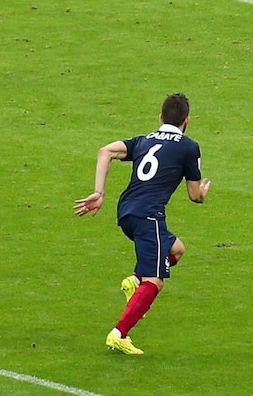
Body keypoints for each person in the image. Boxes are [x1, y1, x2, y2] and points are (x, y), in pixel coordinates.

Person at [74, 94, 209, 356]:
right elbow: (195, 196)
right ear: (187, 121)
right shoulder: (189, 147)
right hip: (149, 217)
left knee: (177, 250)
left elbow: (106, 151)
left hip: (126, 212)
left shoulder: (144, 141)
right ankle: (119, 334)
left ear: (160, 118)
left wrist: (99, 193)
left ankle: (135, 281)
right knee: (155, 281)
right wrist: (203, 192)